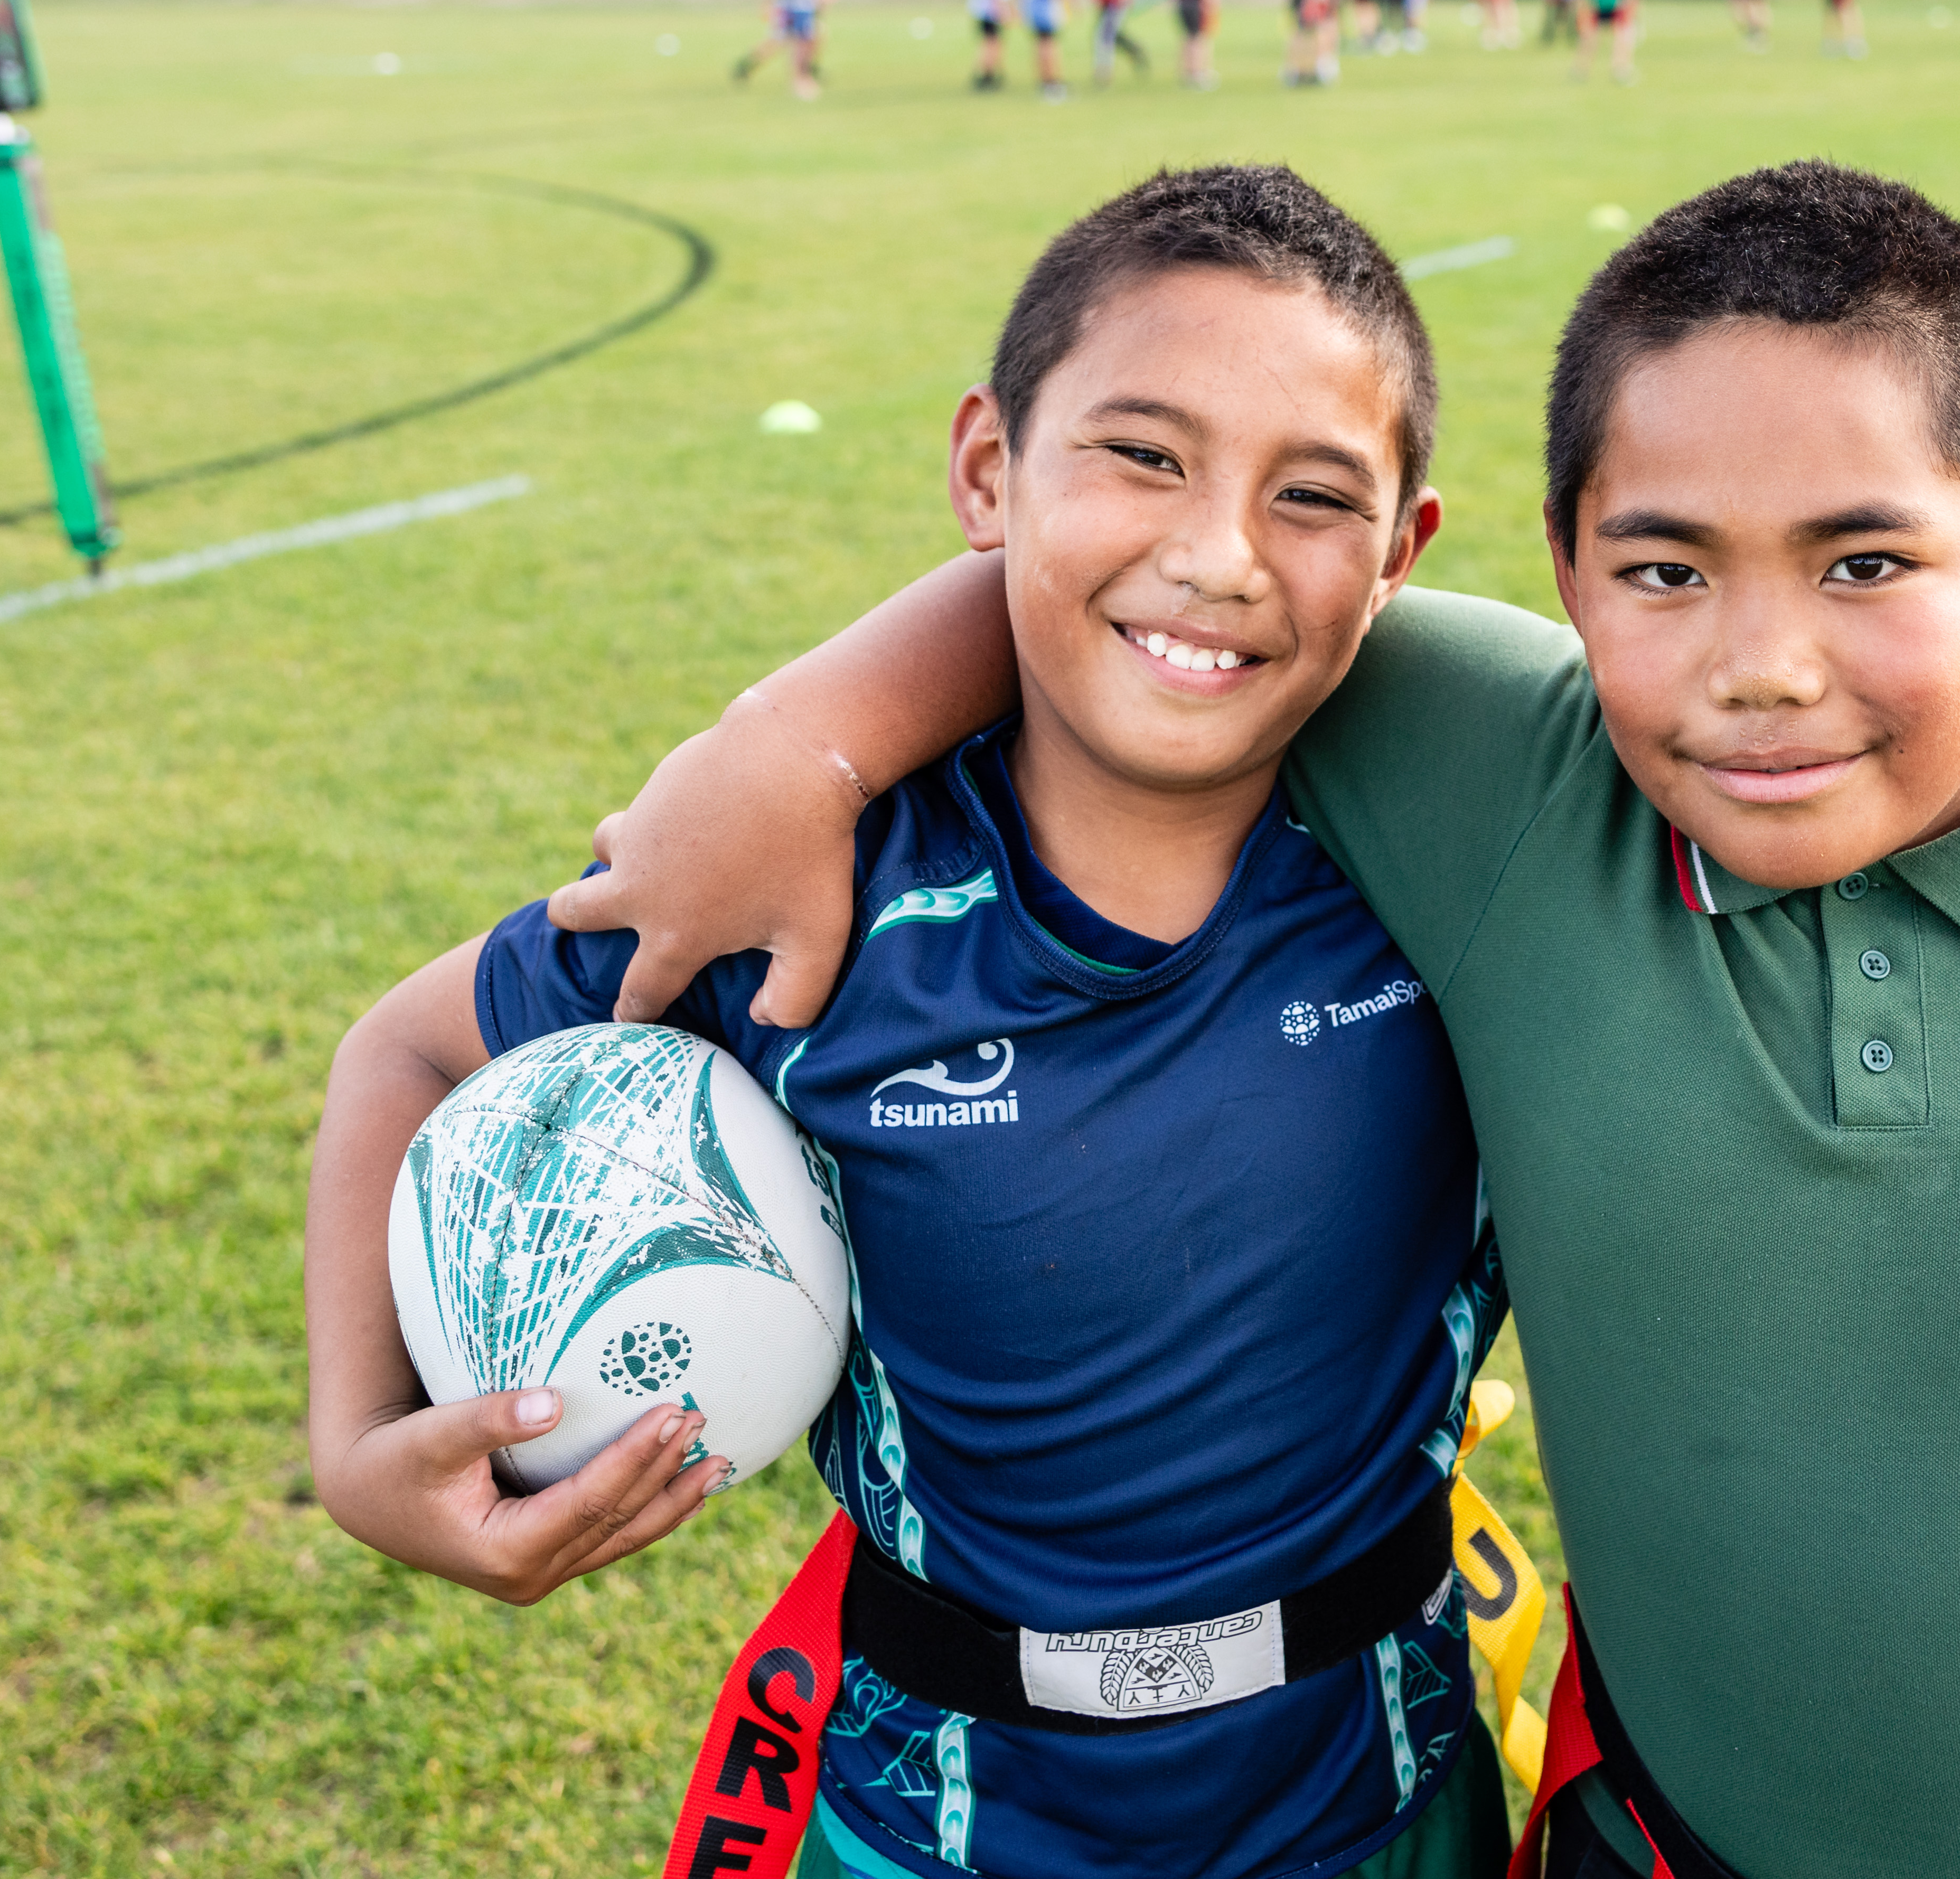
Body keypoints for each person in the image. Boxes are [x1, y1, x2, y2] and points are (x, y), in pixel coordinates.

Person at [559, 164, 1960, 1879]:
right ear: (1555, 574)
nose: (1756, 665)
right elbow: (1165, 593)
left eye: (1862, 565)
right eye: (1663, 571)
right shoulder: (1507, 780)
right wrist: (802, 734)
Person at [303, 169, 1524, 1879]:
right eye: (1143, 452)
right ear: (986, 469)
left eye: (1312, 494)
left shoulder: (1461, 849)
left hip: (1384, 1797)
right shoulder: (805, 891)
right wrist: (358, 1443)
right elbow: (411, 1049)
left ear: (1400, 552)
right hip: (938, 1817)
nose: (1216, 553)